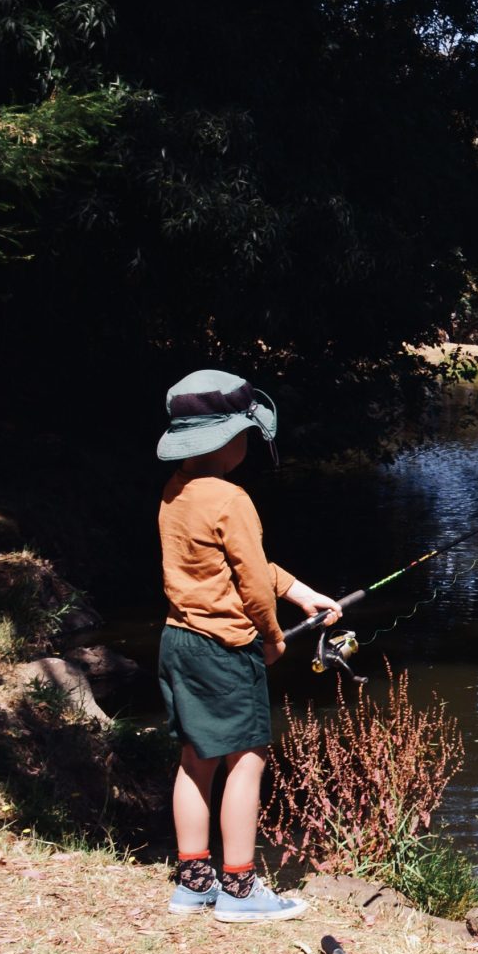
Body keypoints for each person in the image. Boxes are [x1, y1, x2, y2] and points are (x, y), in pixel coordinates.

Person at [154, 369, 343, 923]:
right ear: (229, 439)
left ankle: (194, 882)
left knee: (196, 757)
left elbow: (238, 566)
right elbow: (253, 585)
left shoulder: (176, 491)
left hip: (178, 641)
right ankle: (238, 888)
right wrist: (272, 636)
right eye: (246, 436)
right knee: (248, 757)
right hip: (224, 647)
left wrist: (302, 593)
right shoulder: (233, 498)